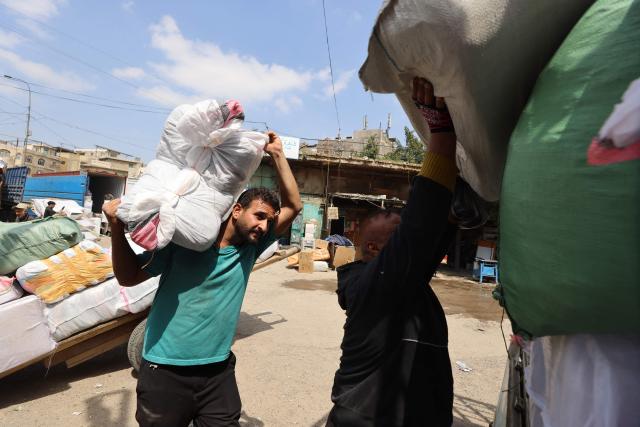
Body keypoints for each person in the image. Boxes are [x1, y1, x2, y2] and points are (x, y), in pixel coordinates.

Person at [102, 131, 302, 427]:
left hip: (217, 371)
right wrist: (116, 228)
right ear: (236, 210)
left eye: (269, 221)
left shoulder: (248, 248)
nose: (263, 226)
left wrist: (278, 154)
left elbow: (294, 206)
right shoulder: (183, 242)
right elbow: (128, 276)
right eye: (259, 216)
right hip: (165, 370)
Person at [327, 78, 457, 426]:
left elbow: (428, 237)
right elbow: (417, 231)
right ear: (373, 247)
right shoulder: (367, 286)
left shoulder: (403, 277)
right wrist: (441, 134)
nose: (396, 214)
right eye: (386, 216)